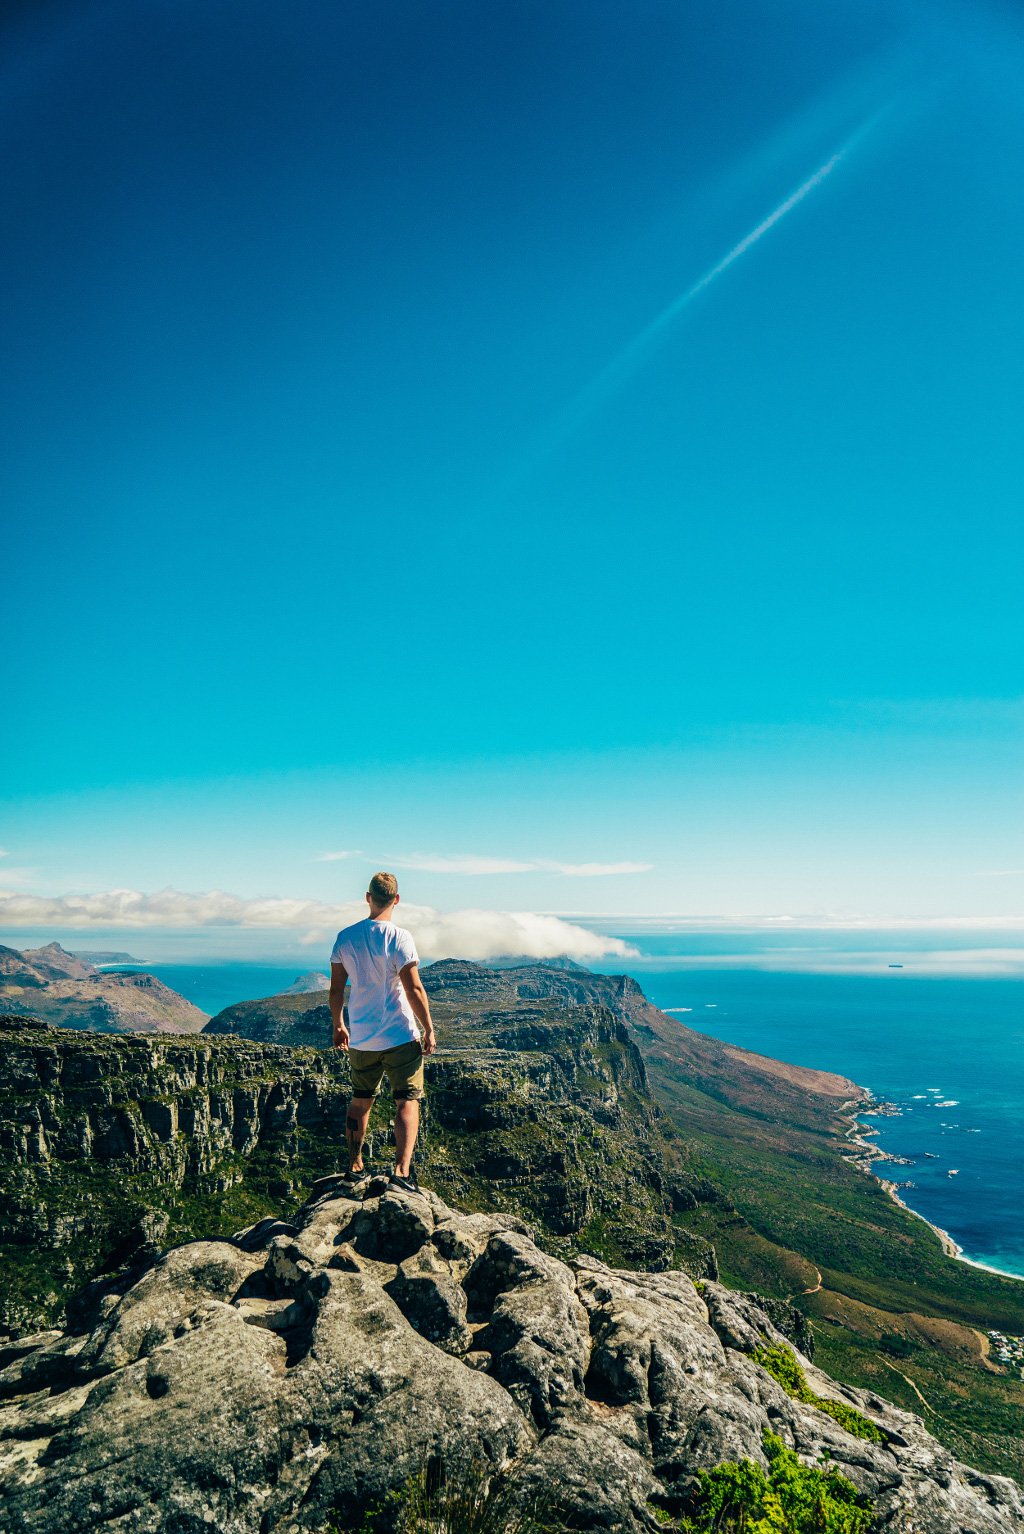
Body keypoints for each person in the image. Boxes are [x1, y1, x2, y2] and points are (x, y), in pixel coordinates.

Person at [328, 871, 436, 1193]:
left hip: (361, 1038)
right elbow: (414, 987)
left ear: (368, 897)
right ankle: (401, 1173)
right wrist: (429, 1028)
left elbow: (336, 990)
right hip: (400, 1036)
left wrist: (339, 1025)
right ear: (397, 900)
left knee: (360, 1101)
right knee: (407, 1101)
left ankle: (355, 1167)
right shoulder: (400, 937)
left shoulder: (345, 938)